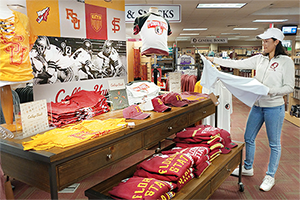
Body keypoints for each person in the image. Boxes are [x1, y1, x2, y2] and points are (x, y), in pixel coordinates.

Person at [206, 27, 295, 192]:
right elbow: (237, 63)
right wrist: (214, 61)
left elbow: (289, 87)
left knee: (274, 143)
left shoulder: (286, 62)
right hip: (257, 105)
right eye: (263, 41)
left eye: (267, 41)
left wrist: (270, 91)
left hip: (274, 107)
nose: (264, 44)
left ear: (276, 42)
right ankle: (248, 167)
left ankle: (270, 176)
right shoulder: (259, 59)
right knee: (248, 137)